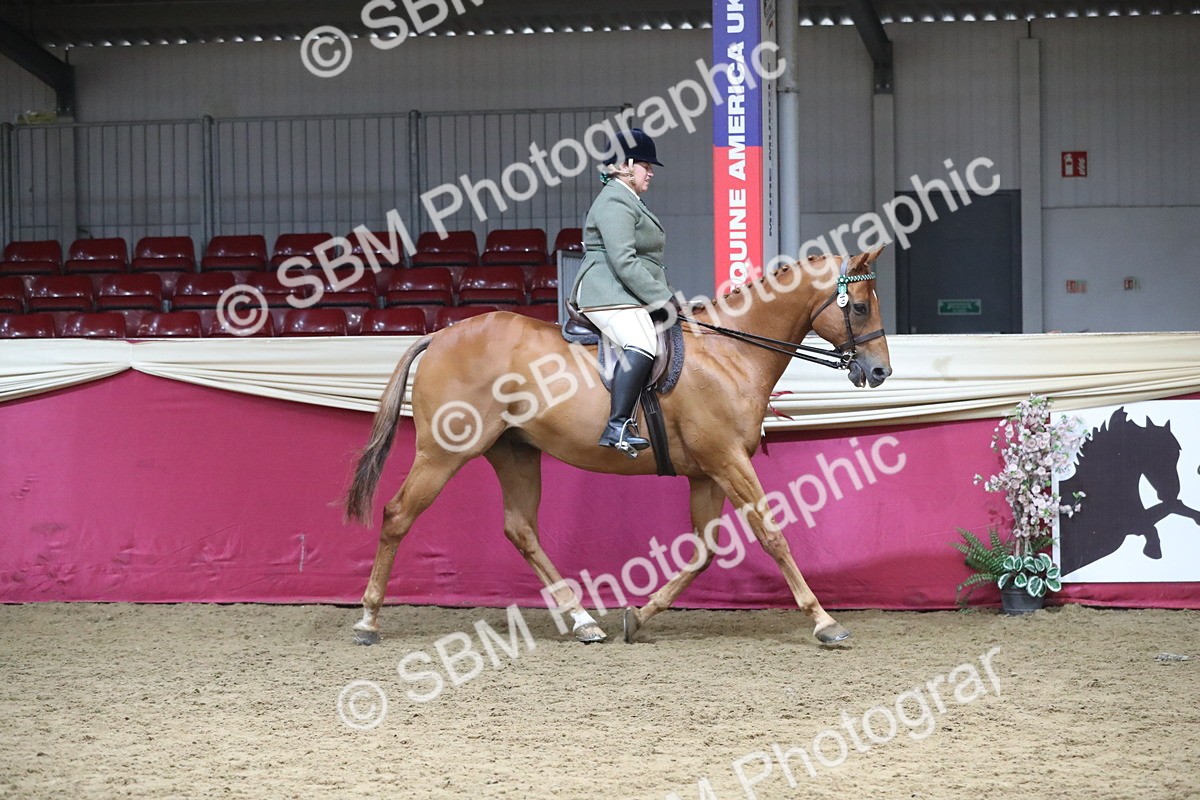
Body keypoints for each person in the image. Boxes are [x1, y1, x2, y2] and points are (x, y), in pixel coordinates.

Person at [569, 128, 675, 457]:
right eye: (646, 165)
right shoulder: (615, 200)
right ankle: (617, 425)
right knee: (641, 341)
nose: (651, 172)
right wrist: (662, 297)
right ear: (627, 165)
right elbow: (625, 261)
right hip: (606, 290)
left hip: (623, 291)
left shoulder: (629, 199)